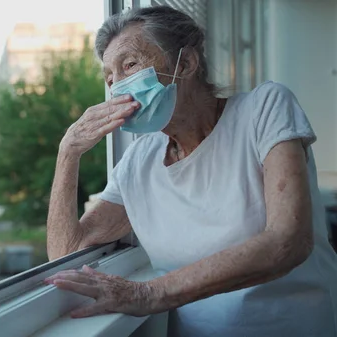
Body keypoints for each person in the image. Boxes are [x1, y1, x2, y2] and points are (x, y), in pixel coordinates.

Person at [44, 6, 337, 337]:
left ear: (185, 63)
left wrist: (147, 293)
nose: (117, 88)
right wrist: (68, 152)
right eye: (110, 78)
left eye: (130, 65)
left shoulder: (264, 108)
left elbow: (288, 242)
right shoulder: (138, 160)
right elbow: (66, 253)